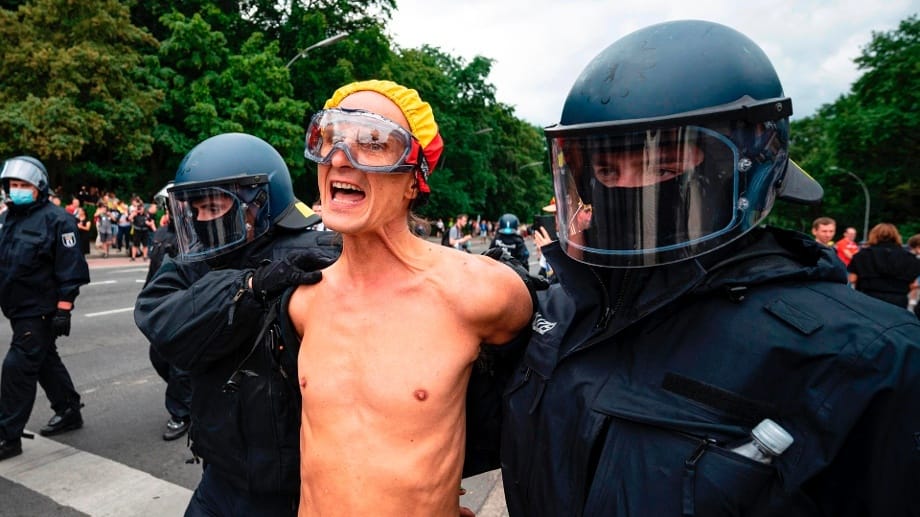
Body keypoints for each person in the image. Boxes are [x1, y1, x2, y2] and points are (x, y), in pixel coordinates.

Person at [498, 20, 920, 516]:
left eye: (664, 166)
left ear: (747, 165)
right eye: (607, 171)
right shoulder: (565, 313)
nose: (628, 191)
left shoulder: (872, 356)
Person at [286, 79, 532, 516]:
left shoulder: (481, 293)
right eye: (329, 138)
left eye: (374, 142)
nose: (340, 158)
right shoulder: (304, 300)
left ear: (414, 180)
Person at [134, 133, 340, 515]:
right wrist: (248, 287)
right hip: (222, 476)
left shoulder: (321, 256)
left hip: (300, 488)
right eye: (191, 208)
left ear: (257, 204)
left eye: (211, 206)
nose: (198, 220)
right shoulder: (194, 261)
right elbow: (159, 321)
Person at [0, 156, 90, 461]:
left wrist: (64, 307)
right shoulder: (10, 218)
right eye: (13, 184)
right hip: (17, 307)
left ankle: (7, 436)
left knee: (17, 368)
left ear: (39, 186)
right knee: (44, 361)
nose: (17, 189)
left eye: (23, 184)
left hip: (40, 309)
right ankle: (68, 410)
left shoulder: (59, 220)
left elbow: (71, 266)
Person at [142, 182, 193, 441]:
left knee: (179, 365)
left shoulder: (197, 234)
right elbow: (154, 272)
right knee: (159, 357)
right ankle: (190, 397)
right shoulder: (162, 233)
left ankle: (181, 412)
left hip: (184, 306)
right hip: (162, 306)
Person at [847, 223, 920, 309]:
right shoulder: (910, 258)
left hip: (867, 298)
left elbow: (852, 279)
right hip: (898, 301)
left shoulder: (862, 255)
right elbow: (913, 284)